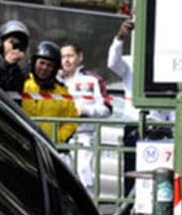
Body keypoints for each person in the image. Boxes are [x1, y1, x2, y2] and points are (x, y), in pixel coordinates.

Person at [108, 18, 174, 198]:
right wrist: (121, 37)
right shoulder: (131, 62)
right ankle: (129, 211)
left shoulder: (166, 64)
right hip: (135, 124)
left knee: (159, 174)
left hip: (161, 128)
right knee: (133, 171)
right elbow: (113, 63)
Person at [59, 41, 112, 193]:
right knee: (63, 178)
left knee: (84, 176)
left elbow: (107, 109)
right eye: (63, 57)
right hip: (59, 136)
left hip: (84, 136)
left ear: (79, 57)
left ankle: (89, 213)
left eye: (70, 56)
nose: (66, 60)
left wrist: (85, 110)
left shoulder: (93, 80)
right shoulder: (56, 79)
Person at [22, 41, 78, 144]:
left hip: (49, 147)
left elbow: (72, 120)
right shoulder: (22, 85)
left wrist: (57, 138)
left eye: (49, 65)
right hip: (23, 143)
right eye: (41, 63)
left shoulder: (62, 92)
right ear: (34, 63)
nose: (44, 68)